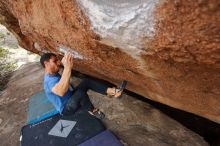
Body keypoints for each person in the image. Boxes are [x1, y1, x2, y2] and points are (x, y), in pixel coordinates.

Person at [40, 52, 124, 119]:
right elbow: (61, 92)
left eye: (57, 60)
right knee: (80, 93)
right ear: (46, 64)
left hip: (71, 97)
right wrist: (67, 67)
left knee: (87, 82)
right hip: (66, 109)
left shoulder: (53, 74)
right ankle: (93, 111)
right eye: (54, 61)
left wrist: (66, 65)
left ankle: (114, 92)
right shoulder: (48, 81)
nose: (58, 63)